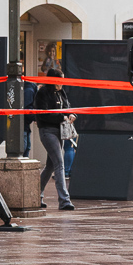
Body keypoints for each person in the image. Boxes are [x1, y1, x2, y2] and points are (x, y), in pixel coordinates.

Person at [33, 61, 75, 211]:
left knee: (50, 166)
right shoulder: (42, 93)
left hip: (60, 130)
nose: (61, 84)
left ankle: (35, 195)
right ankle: (64, 200)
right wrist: (61, 117)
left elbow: (67, 105)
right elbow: (43, 114)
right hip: (48, 131)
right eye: (59, 81)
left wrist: (70, 114)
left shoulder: (61, 92)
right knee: (59, 162)